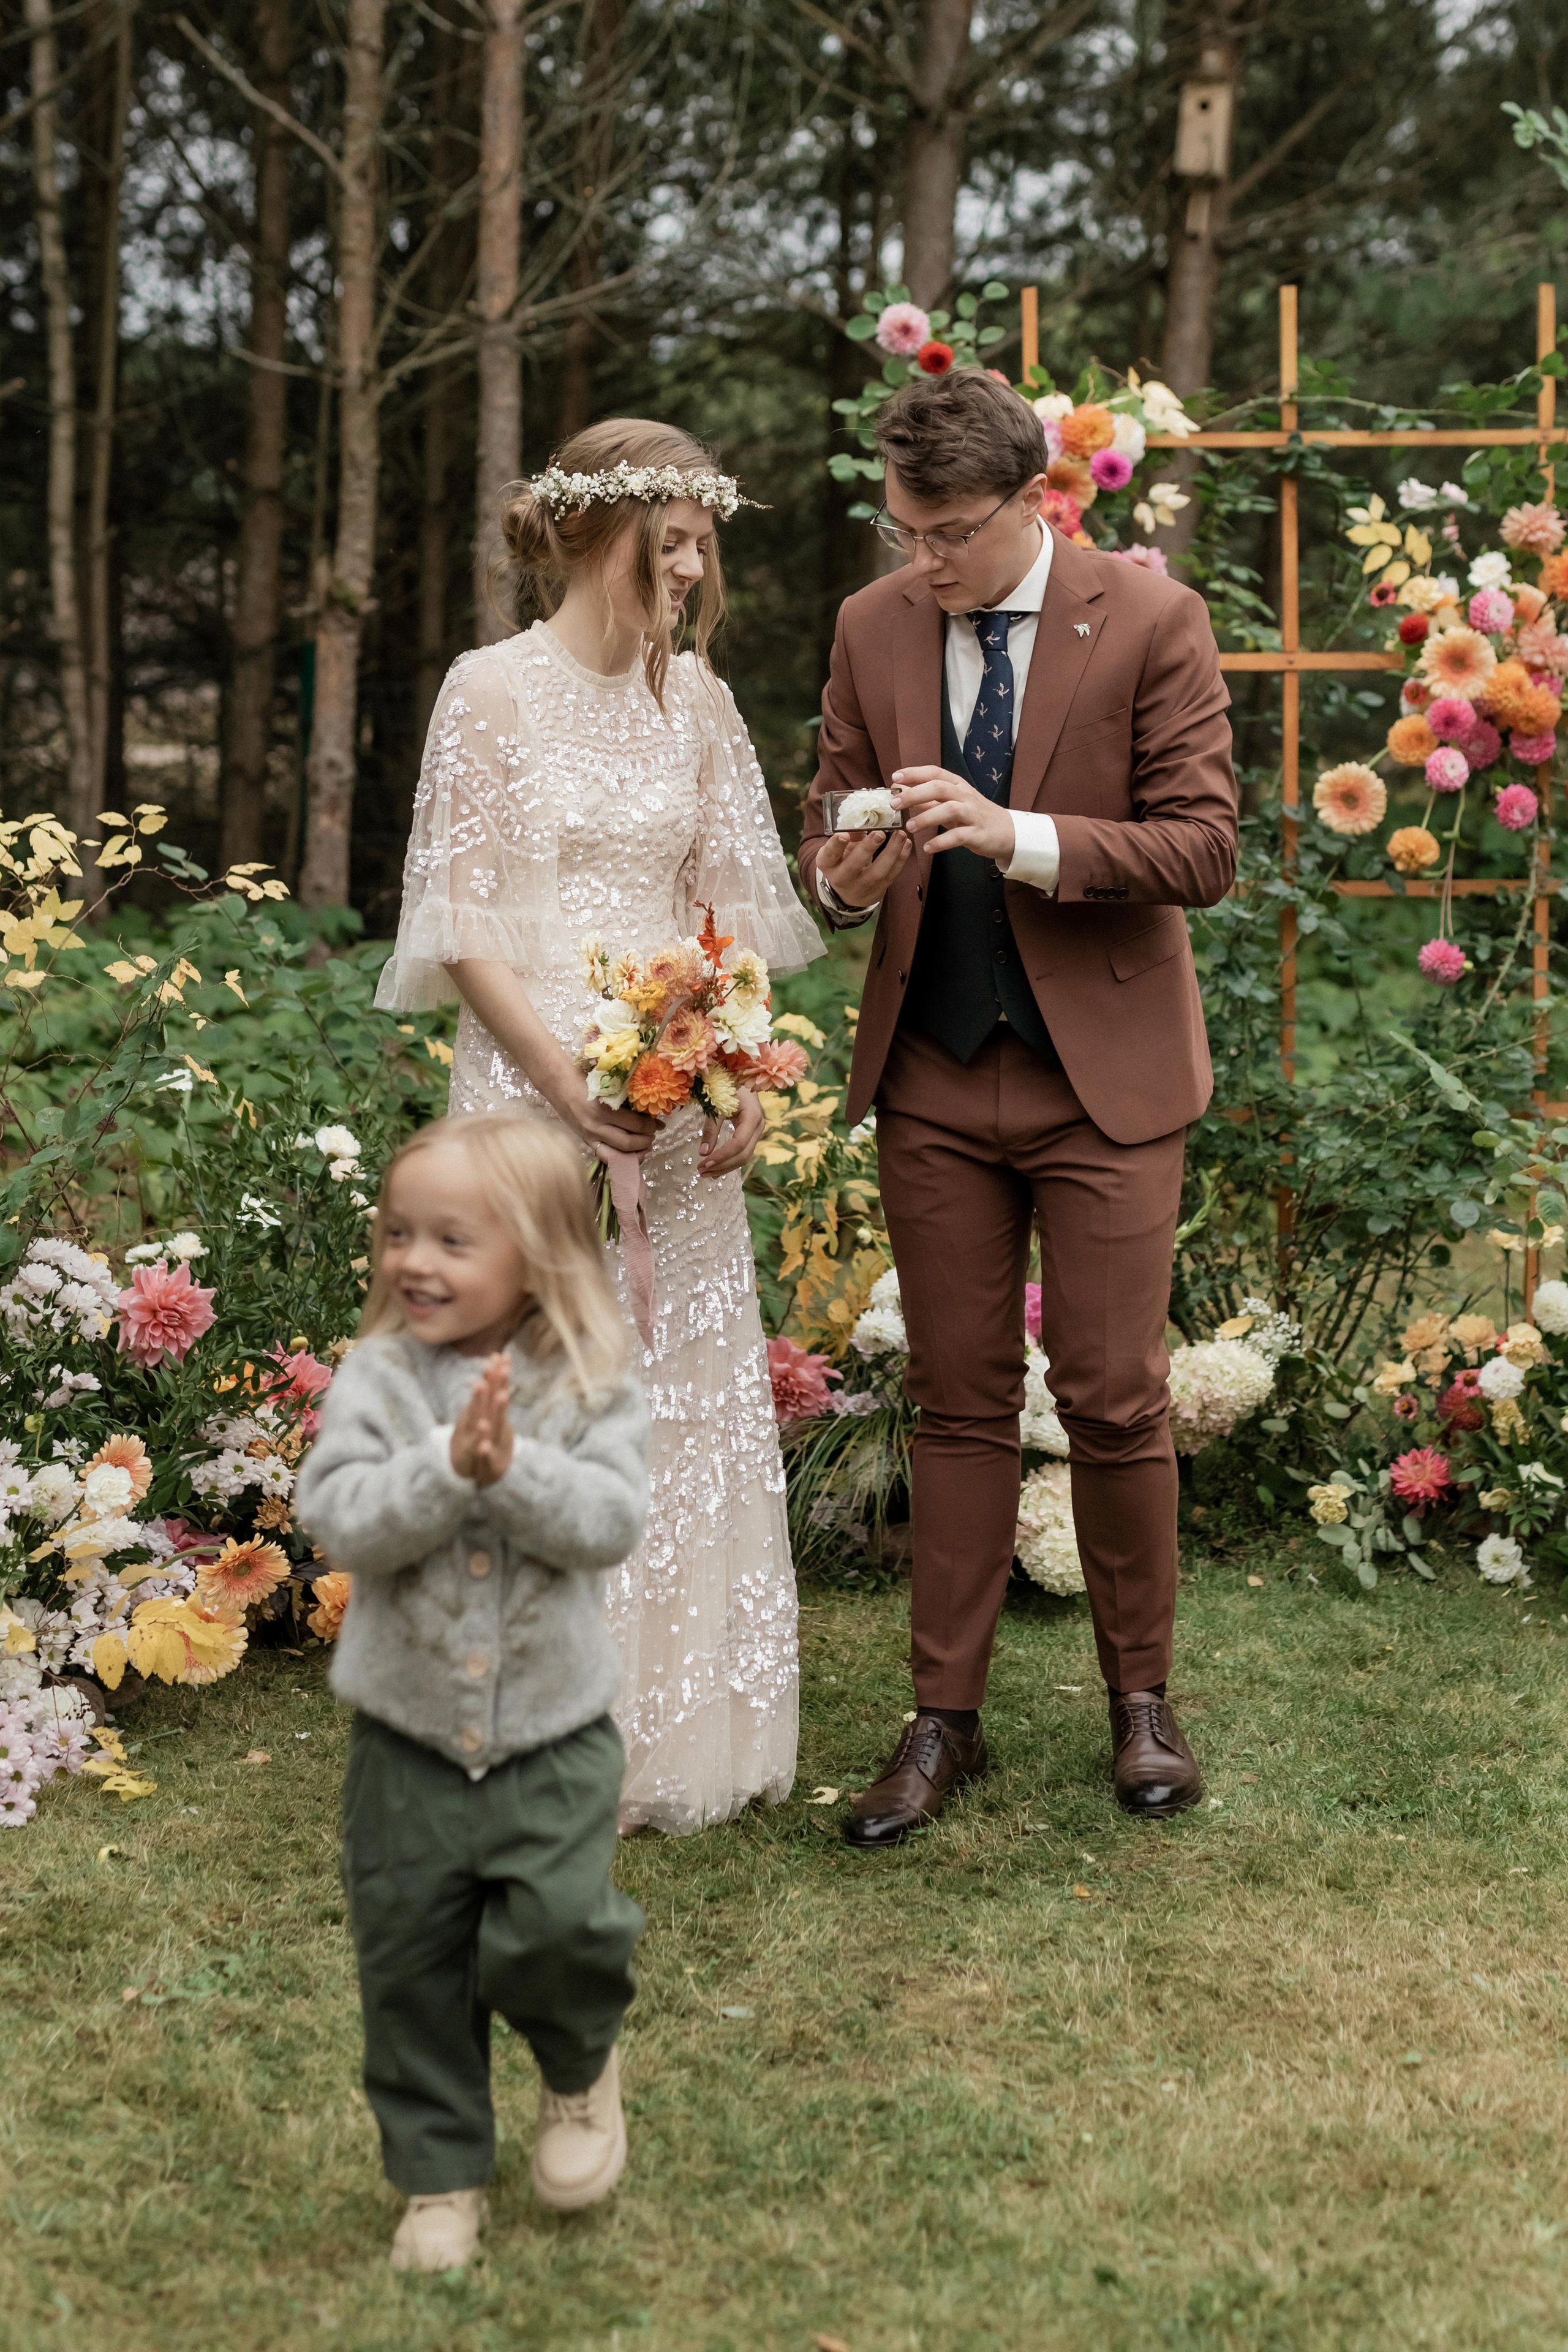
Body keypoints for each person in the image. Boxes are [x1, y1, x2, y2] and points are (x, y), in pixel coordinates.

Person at [797, 369, 1237, 1844]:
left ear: (1033, 504)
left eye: (946, 535)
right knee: (956, 1400)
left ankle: (1141, 1706)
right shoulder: (872, 626)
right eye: (900, 529)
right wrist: (840, 875)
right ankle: (941, 1724)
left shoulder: (1149, 618)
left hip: (1100, 1082)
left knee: (1115, 1397)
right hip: (929, 1069)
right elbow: (833, 812)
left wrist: (1019, 838)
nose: (918, 560)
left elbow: (1201, 847)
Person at [375, 420, 823, 1836]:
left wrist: (735, 1069)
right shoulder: (489, 693)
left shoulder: (700, 704)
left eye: (702, 540)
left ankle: (674, 1726)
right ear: (588, 535)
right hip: (532, 1092)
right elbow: (461, 922)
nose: (690, 566)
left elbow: (728, 917)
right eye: (667, 538)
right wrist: (567, 1081)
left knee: (677, 1388)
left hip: (674, 1106)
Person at [296, 1112, 650, 2272]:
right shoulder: (379, 1377)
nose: (416, 1261)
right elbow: (338, 1517)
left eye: (453, 1239)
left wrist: (514, 1469)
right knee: (412, 1962)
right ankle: (439, 2176)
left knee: (554, 1929)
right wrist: (446, 1469)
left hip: (552, 1735)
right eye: (400, 1233)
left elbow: (609, 1524)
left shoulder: (589, 1379)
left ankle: (580, 2059)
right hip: (404, 1742)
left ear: (539, 1255)